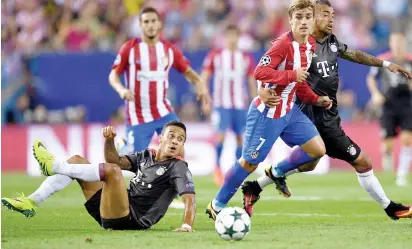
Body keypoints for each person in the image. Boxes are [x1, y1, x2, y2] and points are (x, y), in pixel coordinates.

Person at [242, 0, 412, 220]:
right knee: (363, 161)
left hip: (328, 115)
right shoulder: (299, 44)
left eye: (332, 15)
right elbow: (269, 67)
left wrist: (386, 64)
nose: (331, 19)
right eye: (325, 14)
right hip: (309, 114)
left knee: (311, 162)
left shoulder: (332, 42)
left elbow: (356, 55)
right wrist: (262, 90)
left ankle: (257, 185)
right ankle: (391, 208)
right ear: (312, 17)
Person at [205, 0, 333, 220]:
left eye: (307, 17)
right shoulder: (282, 44)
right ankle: (216, 205)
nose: (303, 22)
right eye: (299, 17)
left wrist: (315, 99)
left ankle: (276, 172)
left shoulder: (310, 45)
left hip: (289, 111)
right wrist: (290, 76)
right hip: (268, 112)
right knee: (248, 162)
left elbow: (299, 82)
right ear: (291, 20)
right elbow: (260, 72)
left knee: (317, 150)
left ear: (313, 21)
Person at [2, 121, 196, 231]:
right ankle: (31, 202)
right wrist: (109, 141)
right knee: (77, 160)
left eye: (180, 139)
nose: (175, 141)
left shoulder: (177, 167)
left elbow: (189, 200)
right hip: (112, 210)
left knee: (112, 172)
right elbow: (114, 159)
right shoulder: (147, 155)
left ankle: (54, 166)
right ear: (161, 138)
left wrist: (187, 225)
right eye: (171, 136)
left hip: (131, 220)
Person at [108, 7, 210, 208]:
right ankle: (147, 195)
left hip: (163, 111)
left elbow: (187, 71)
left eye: (153, 21)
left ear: (160, 24)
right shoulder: (130, 48)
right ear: (140, 25)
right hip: (138, 115)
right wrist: (121, 90)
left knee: (178, 147)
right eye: (145, 22)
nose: (150, 25)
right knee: (138, 162)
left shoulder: (169, 50)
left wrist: (201, 85)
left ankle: (178, 188)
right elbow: (113, 75)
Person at [200, 24, 257, 186]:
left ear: (238, 38)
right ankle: (217, 168)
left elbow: (251, 83)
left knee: (240, 138)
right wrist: (205, 99)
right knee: (221, 135)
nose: (232, 39)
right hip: (221, 104)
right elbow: (204, 77)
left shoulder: (245, 58)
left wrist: (255, 104)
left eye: (235, 36)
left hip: (240, 105)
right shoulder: (215, 55)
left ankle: (234, 170)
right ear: (225, 38)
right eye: (229, 36)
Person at [367, 32, 412, 186]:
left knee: (407, 139)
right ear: (391, 44)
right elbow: (371, 77)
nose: (398, 45)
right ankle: (388, 170)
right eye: (395, 42)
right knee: (387, 144)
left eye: (400, 42)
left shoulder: (409, 60)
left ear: (404, 44)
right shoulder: (384, 60)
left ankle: (401, 174)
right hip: (388, 104)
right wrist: (375, 94)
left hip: (407, 103)